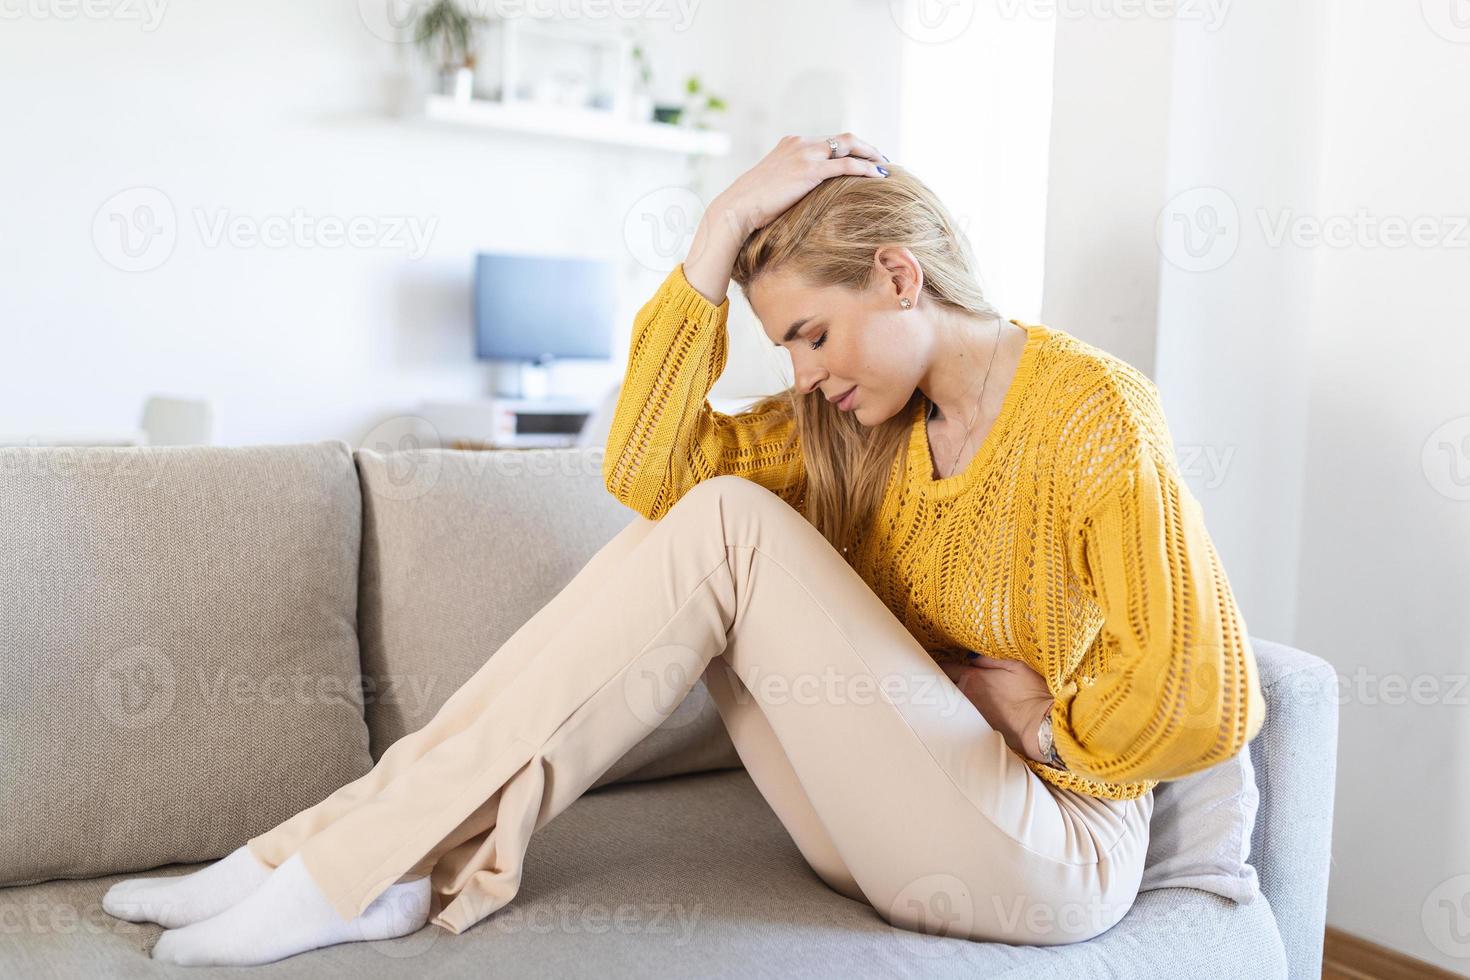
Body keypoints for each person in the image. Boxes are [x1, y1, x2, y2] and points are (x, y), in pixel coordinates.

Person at [104, 133, 1266, 967]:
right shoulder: (855, 435)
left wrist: (1045, 717)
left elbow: (1202, 693)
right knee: (706, 520)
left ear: (900, 275)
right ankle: (337, 859)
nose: (803, 372)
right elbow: (652, 473)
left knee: (732, 530)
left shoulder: (1090, 413)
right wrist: (715, 234)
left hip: (1051, 853)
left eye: (812, 331)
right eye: (786, 344)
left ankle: (333, 868)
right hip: (886, 828)